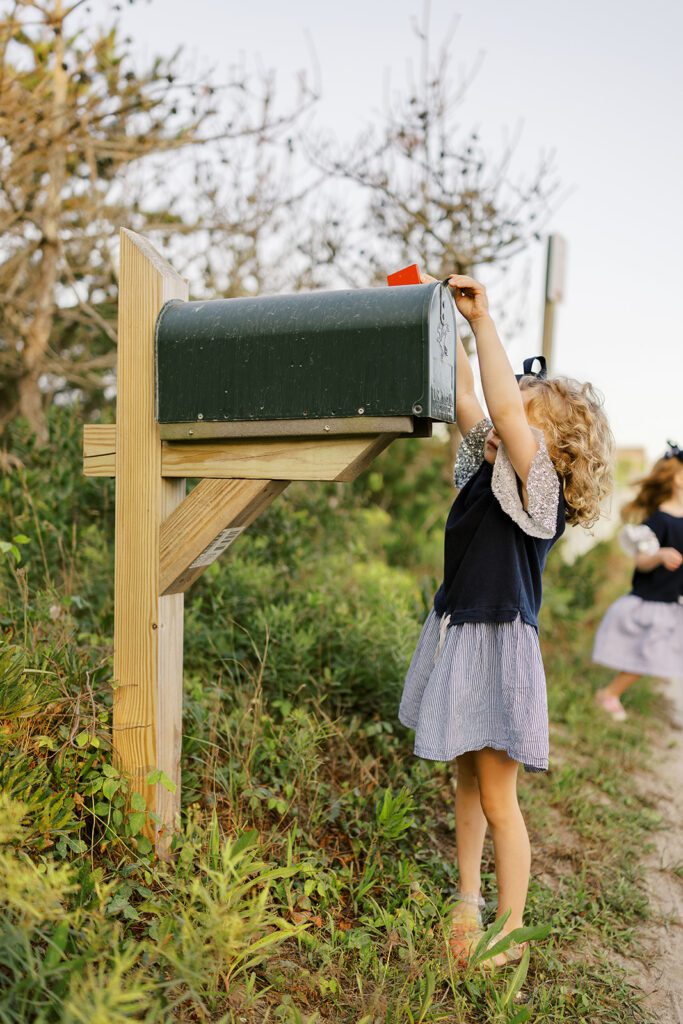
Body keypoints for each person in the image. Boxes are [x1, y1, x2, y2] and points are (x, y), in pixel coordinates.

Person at [399, 272, 613, 966]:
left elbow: (497, 406)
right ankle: (466, 897)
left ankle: (508, 931)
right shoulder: (484, 471)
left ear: (553, 448)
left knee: (498, 798)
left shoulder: (537, 491)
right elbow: (469, 396)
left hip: (497, 646)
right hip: (462, 632)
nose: (499, 421)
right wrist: (436, 310)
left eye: (518, 415)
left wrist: (485, 321)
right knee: (465, 778)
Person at [593, 444, 683, 722]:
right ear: (678, 479)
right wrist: (660, 555)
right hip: (655, 601)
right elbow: (641, 561)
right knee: (645, 658)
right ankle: (608, 694)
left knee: (657, 656)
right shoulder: (658, 520)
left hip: (674, 601)